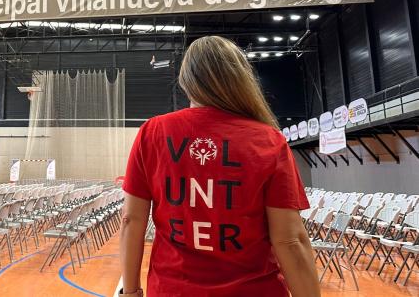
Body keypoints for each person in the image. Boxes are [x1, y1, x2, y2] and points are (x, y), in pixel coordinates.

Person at [119, 36, 319, 297]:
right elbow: (290, 241)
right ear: (240, 79)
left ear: (186, 81)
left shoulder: (153, 132)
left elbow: (131, 220)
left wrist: (131, 292)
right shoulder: (269, 141)